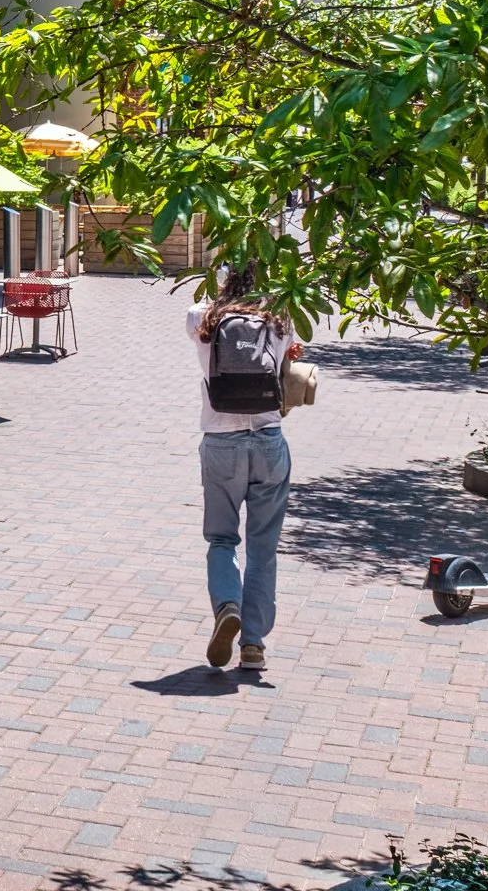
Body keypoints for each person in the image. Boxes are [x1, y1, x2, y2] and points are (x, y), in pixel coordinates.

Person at [187, 263, 301, 671]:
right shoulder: (281, 318)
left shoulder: (202, 319)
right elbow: (293, 360)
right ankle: (253, 645)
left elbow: (201, 304)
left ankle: (227, 605)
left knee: (221, 540)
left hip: (221, 443)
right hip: (269, 442)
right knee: (263, 547)